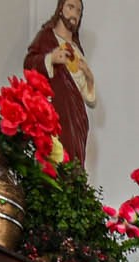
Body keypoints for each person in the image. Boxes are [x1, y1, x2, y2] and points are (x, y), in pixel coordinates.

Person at [25, 0, 96, 164]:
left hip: (77, 116)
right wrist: (51, 58)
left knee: (75, 163)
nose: (75, 15)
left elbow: (88, 97)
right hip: (56, 110)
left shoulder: (77, 49)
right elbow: (29, 64)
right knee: (57, 157)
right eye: (71, 7)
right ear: (60, 9)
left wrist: (89, 77)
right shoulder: (47, 37)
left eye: (79, 11)